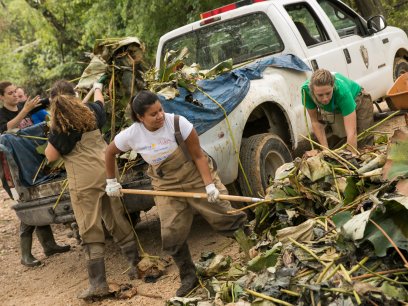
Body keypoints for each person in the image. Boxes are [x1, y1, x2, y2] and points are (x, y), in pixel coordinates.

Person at [105, 90, 248, 297]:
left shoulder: (179, 124)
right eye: (153, 114)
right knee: (171, 233)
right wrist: (111, 181)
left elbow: (199, 156)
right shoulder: (132, 135)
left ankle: (252, 251)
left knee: (224, 215)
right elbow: (109, 152)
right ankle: (189, 276)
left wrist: (209, 186)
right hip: (165, 184)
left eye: (160, 110)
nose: (160, 116)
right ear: (140, 117)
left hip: (195, 175)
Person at [44, 80, 140, 300]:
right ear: (75, 95)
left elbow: (51, 156)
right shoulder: (91, 113)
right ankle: (137, 265)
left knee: (89, 226)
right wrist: (97, 87)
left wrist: (52, 129)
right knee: (116, 217)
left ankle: (98, 284)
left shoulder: (60, 127)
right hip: (107, 170)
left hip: (84, 177)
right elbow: (100, 100)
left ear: (54, 103)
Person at [0, 81, 70, 267]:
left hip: (34, 165)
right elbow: (6, 131)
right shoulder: (4, 114)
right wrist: (25, 111)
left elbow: (50, 100)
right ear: (1, 97)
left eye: (16, 92)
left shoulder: (26, 105)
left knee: (38, 203)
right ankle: (25, 255)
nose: (15, 95)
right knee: (27, 206)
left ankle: (49, 246)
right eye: (10, 93)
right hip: (13, 171)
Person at [301, 69, 374, 153]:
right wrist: (326, 150)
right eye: (320, 95)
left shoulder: (342, 92)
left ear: (333, 87)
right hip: (337, 107)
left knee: (364, 141)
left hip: (359, 99)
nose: (325, 99)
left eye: (328, 93)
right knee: (341, 139)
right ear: (312, 91)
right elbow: (315, 122)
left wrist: (351, 156)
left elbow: (351, 132)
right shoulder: (306, 91)